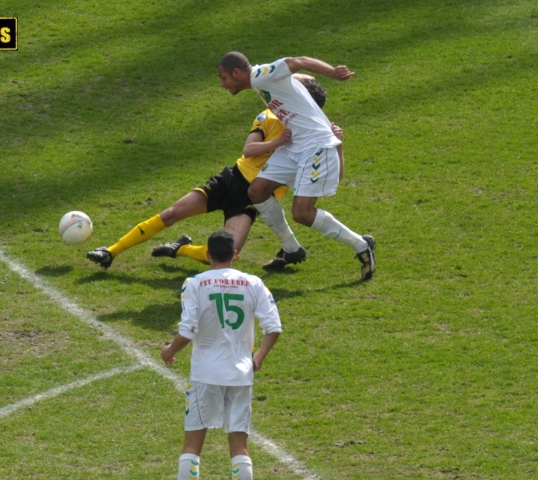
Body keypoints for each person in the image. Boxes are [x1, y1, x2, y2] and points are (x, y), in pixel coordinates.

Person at [86, 80, 332, 271]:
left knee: (223, 255)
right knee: (171, 214)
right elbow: (248, 150)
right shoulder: (268, 116)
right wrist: (277, 142)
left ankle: (180, 249)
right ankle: (110, 251)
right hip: (230, 182)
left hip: (251, 200)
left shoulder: (315, 136)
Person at [217, 52, 377, 280]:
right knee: (257, 191)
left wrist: (332, 72)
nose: (222, 84)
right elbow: (299, 75)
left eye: (223, 78)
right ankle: (292, 248)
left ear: (236, 73)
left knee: (302, 213)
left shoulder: (262, 75)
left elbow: (298, 60)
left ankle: (361, 244)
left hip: (315, 145)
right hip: (295, 144)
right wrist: (301, 80)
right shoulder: (261, 81)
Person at [161, 230, 281, 480]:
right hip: (240, 374)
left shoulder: (194, 283)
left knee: (192, 446)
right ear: (235, 254)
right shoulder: (253, 283)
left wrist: (170, 350)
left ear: (207, 255)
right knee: (240, 446)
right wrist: (258, 356)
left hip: (205, 374)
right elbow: (273, 327)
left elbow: (186, 331)